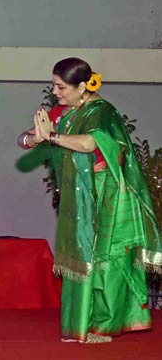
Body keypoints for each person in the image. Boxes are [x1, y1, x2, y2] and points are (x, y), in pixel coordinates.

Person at [18, 57, 162, 343]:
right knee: (84, 255)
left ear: (82, 86)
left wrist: (53, 137)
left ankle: (104, 326)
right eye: (54, 86)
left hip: (106, 192)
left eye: (60, 87)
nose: (55, 92)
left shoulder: (102, 111)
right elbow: (26, 137)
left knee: (108, 258)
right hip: (81, 193)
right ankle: (81, 322)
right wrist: (35, 139)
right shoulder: (65, 111)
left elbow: (90, 143)